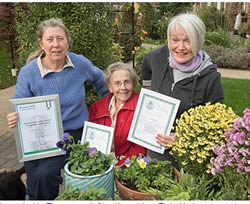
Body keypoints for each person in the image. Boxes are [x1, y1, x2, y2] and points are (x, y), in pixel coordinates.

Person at [6, 18, 108, 200]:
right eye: (50, 39)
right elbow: (19, 102)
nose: (56, 44)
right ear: (41, 43)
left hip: (75, 133)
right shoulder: (29, 72)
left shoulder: (79, 64)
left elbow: (102, 82)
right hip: (42, 135)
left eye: (60, 39)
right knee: (36, 175)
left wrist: (113, 107)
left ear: (68, 41)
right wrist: (14, 116)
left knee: (45, 174)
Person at [141, 13, 224, 168]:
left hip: (185, 162)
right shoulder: (159, 56)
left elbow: (216, 128)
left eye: (188, 41)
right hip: (153, 149)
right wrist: (148, 89)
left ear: (198, 42)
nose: (180, 47)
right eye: (175, 40)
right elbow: (146, 65)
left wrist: (181, 138)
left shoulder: (210, 79)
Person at [89, 62, 146, 166]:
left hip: (128, 165)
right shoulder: (96, 108)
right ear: (110, 87)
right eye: (117, 83)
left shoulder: (142, 106)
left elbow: (140, 148)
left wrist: (119, 165)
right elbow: (92, 140)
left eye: (127, 82)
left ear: (133, 84)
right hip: (100, 164)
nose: (123, 87)